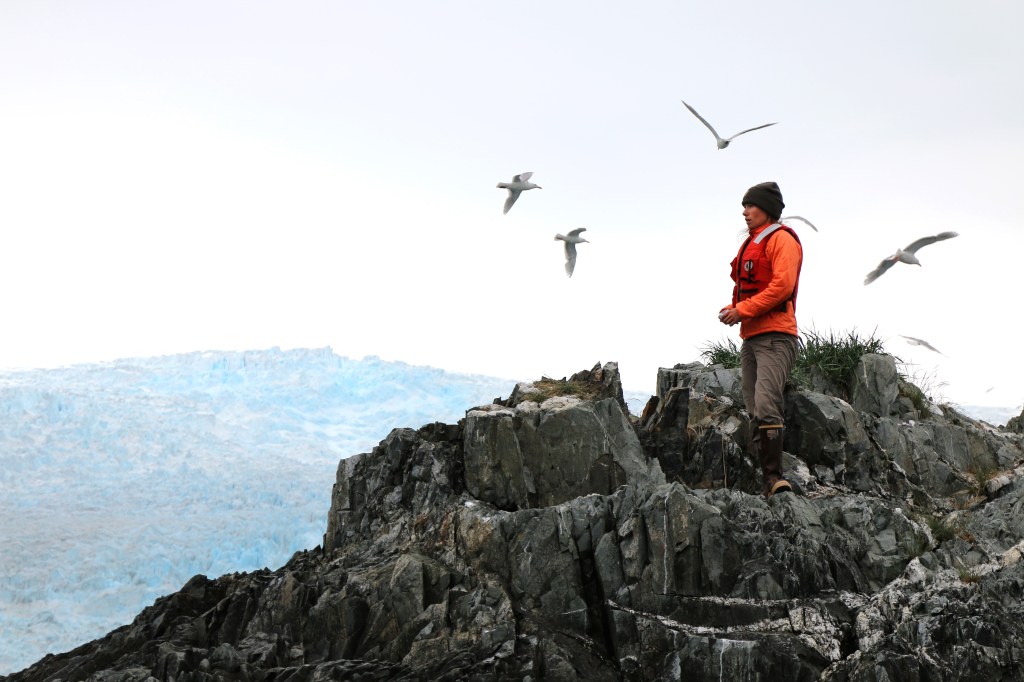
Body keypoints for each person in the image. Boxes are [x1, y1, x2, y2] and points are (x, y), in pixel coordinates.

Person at [718, 181, 803, 497]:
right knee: (755, 409)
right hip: (751, 339)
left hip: (776, 338)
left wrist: (742, 310)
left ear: (766, 209)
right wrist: (734, 308)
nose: (744, 211)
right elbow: (746, 285)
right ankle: (763, 480)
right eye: (743, 206)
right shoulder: (750, 243)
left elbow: (782, 286)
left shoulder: (782, 240)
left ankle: (773, 478)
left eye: (750, 205)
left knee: (767, 404)